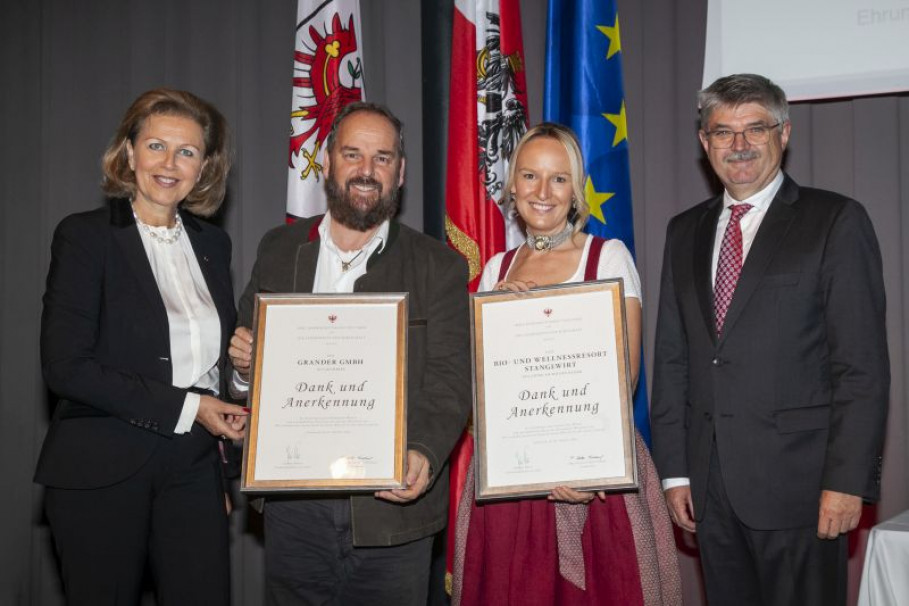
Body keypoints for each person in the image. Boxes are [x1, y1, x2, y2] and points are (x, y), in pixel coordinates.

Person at [650, 73, 890, 606]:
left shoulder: (835, 221)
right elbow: (672, 359)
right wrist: (675, 473)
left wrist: (847, 482)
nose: (738, 146)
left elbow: (861, 367)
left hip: (803, 492)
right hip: (710, 491)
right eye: (722, 132)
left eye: (754, 128)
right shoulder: (683, 230)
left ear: (784, 133)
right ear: (703, 142)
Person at [228, 101, 470, 605]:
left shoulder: (438, 265)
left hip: (393, 509)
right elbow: (243, 372)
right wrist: (244, 369)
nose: (366, 171)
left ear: (400, 172)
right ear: (328, 162)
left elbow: (451, 377)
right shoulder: (278, 248)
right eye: (353, 154)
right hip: (296, 506)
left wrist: (424, 451)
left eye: (382, 158)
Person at [451, 123, 681, 605]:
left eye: (559, 179)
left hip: (595, 479)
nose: (543, 192)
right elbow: (479, 387)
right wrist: (494, 312)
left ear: (576, 189)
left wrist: (580, 464)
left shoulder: (609, 257)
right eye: (530, 176)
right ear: (512, 186)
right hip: (511, 479)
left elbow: (627, 375)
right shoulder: (495, 269)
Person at [35, 88, 248, 605]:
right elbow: (66, 368)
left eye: (188, 152)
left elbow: (211, 368)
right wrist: (192, 406)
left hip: (194, 470)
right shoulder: (84, 237)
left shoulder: (213, 245)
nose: (170, 163)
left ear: (205, 168)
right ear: (129, 154)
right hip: (101, 467)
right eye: (156, 146)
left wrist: (241, 375)